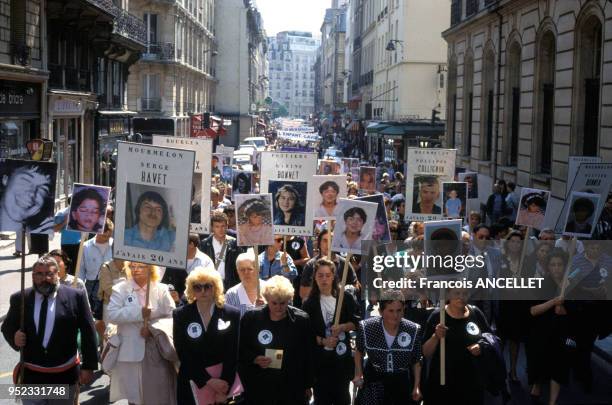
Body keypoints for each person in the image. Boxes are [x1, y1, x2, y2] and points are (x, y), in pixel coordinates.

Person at [1, 255, 97, 403]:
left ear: (58, 274)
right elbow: (7, 327)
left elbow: (88, 331)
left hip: (64, 376)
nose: (44, 278)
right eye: (39, 274)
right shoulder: (20, 298)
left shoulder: (75, 297)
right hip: (32, 377)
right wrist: (14, 337)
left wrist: (88, 366)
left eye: (49, 274)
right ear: (33, 276)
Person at [107, 261, 176, 405]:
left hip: (157, 351)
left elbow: (172, 317)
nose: (135, 270)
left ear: (150, 268)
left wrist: (152, 329)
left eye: (140, 266)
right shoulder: (120, 289)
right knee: (135, 398)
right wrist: (138, 313)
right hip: (130, 352)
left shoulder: (161, 289)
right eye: (132, 266)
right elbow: (112, 315)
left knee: (157, 395)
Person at [238, 275, 315, 405]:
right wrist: (254, 358)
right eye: (274, 303)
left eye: (283, 303)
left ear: (289, 299)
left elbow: (308, 354)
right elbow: (239, 348)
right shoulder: (251, 318)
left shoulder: (301, 320)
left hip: (291, 385)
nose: (278, 307)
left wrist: (308, 384)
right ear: (267, 299)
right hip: (260, 385)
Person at [173, 267, 241, 405]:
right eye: (197, 287)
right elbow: (182, 352)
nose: (203, 291)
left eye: (207, 287)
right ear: (191, 290)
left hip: (222, 383)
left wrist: (224, 387)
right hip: (192, 381)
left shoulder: (232, 314)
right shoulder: (180, 315)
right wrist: (208, 381)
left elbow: (233, 352)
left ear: (216, 287)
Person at [303, 258, 360, 405]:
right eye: (320, 275)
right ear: (314, 277)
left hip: (341, 361)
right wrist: (323, 341)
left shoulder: (344, 297)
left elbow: (357, 323)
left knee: (342, 398)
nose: (324, 279)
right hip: (321, 363)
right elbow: (306, 335)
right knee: (322, 399)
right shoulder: (309, 303)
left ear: (334, 276)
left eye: (328, 275)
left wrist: (342, 327)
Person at [422, 288, 491, 405]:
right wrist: (435, 336)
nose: (461, 297)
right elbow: (425, 352)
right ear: (448, 295)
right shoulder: (437, 316)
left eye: (465, 293)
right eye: (457, 293)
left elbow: (490, 338)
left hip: (472, 380)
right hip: (444, 381)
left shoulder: (475, 313)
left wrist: (481, 346)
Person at [353, 290, 423, 404]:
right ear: (381, 311)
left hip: (401, 382)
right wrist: (358, 374)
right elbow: (359, 351)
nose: (395, 315)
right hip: (375, 380)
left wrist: (416, 386)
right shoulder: (367, 327)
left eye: (399, 310)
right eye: (390, 311)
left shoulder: (412, 329)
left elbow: (416, 361)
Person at [526, 248, 573, 405]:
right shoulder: (540, 284)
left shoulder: (571, 286)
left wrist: (565, 309)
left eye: (560, 264)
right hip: (541, 332)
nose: (556, 268)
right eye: (553, 265)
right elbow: (533, 310)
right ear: (548, 266)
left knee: (558, 368)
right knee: (539, 364)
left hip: (561, 333)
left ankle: (552, 401)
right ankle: (537, 386)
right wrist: (553, 302)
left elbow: (577, 312)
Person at [300, 229, 358, 301]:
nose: (328, 244)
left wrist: (343, 290)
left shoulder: (344, 264)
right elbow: (303, 293)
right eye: (325, 241)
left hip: (340, 308)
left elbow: (356, 286)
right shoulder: (311, 265)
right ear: (319, 243)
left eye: (331, 241)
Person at [78, 218, 114, 332]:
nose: (106, 238)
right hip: (91, 286)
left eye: (109, 236)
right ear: (97, 232)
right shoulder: (85, 246)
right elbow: (81, 269)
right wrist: (79, 288)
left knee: (109, 318)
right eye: (104, 236)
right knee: (93, 319)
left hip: (111, 287)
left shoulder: (115, 246)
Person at [0, 162, 54, 234]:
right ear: (5, 179)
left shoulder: (42, 230)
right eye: (26, 181)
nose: (32, 194)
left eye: (42, 189)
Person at [201, 212, 243, 290]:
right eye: (217, 226)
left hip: (231, 285)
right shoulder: (205, 244)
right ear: (212, 228)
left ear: (227, 226)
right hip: (211, 285)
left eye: (223, 226)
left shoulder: (235, 243)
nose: (220, 229)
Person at [225, 250, 266, 318]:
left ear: (258, 269)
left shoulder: (269, 289)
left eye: (249, 269)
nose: (246, 273)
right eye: (242, 269)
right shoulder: (231, 295)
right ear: (237, 271)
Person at [53, 197, 81, 269]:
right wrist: (65, 222)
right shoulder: (61, 213)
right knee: (66, 267)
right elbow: (55, 229)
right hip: (66, 244)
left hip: (80, 244)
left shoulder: (83, 213)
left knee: (78, 268)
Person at [97, 257, 127, 323]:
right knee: (109, 330)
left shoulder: (129, 266)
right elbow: (107, 288)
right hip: (109, 305)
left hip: (125, 305)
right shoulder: (106, 267)